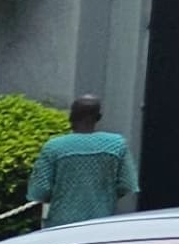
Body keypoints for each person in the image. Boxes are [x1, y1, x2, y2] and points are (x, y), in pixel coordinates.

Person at [23, 95, 137, 226]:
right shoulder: (117, 145)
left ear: (71, 116)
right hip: (101, 221)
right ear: (98, 117)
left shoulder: (54, 147)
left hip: (61, 224)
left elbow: (39, 191)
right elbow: (127, 185)